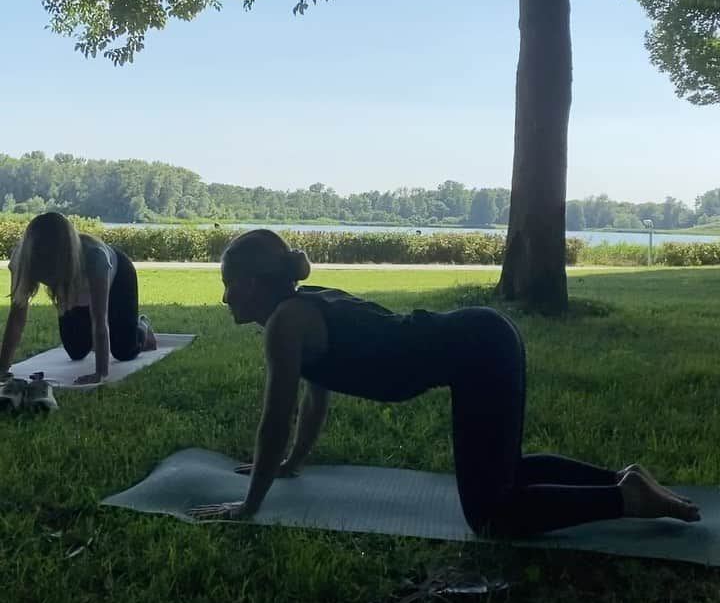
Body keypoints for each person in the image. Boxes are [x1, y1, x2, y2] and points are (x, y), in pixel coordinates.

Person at [189, 229, 701, 535]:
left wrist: (248, 506)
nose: (224, 298)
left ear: (253, 285)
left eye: (227, 286)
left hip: (477, 349)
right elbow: (314, 392)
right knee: (501, 474)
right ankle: (621, 478)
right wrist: (293, 464)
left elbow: (275, 419)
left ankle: (626, 499)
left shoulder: (285, 324)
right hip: (482, 339)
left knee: (491, 516)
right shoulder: (303, 306)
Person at [0, 212, 157, 386]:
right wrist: (2, 369)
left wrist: (101, 373)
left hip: (118, 276)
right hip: (74, 291)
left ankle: (143, 327)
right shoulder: (22, 260)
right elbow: (16, 318)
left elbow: (99, 317)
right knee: (76, 351)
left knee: (124, 351)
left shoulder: (94, 257)